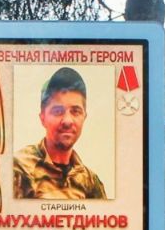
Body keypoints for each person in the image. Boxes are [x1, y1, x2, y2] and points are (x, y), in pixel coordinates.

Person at [12, 66, 108, 199]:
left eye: (75, 111)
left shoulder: (91, 183)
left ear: (84, 117)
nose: (67, 120)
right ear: (42, 118)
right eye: (58, 111)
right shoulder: (18, 169)